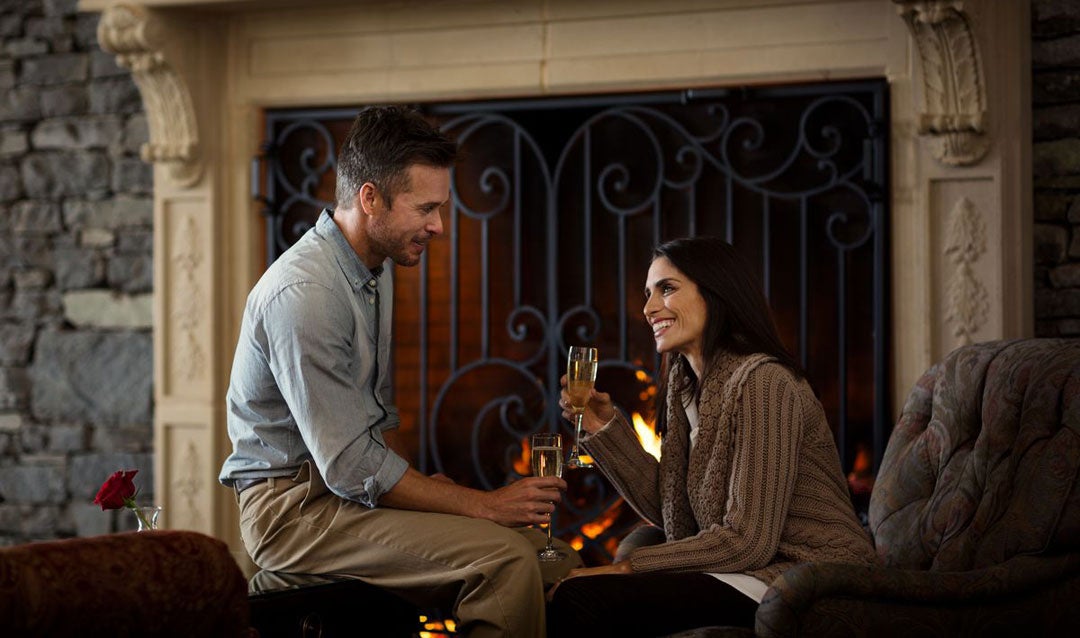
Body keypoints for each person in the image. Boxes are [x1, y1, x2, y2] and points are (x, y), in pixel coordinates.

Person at [220, 105, 578, 638]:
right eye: (426, 208)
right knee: (506, 560)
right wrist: (481, 506)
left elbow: (380, 420)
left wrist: (419, 492)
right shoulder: (306, 295)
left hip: (343, 498)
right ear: (370, 198)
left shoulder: (372, 269)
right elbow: (348, 465)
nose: (438, 226)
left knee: (552, 557)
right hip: (293, 514)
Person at [546, 236, 877, 636]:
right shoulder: (683, 387)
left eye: (666, 289)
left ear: (717, 293)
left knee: (582, 598)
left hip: (803, 578)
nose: (649, 308)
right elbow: (672, 510)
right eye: (647, 293)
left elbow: (747, 541)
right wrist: (604, 429)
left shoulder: (765, 382)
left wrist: (622, 569)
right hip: (747, 573)